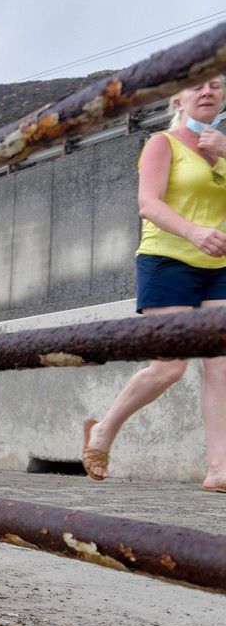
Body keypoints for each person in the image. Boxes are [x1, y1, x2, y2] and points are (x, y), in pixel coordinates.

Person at [82, 76, 226, 491]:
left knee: (220, 366)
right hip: (168, 260)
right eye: (197, 84)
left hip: (219, 266)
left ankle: (218, 468)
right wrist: (196, 232)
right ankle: (103, 430)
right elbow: (148, 204)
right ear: (179, 97)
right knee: (171, 366)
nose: (207, 91)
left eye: (216, 85)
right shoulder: (163, 143)